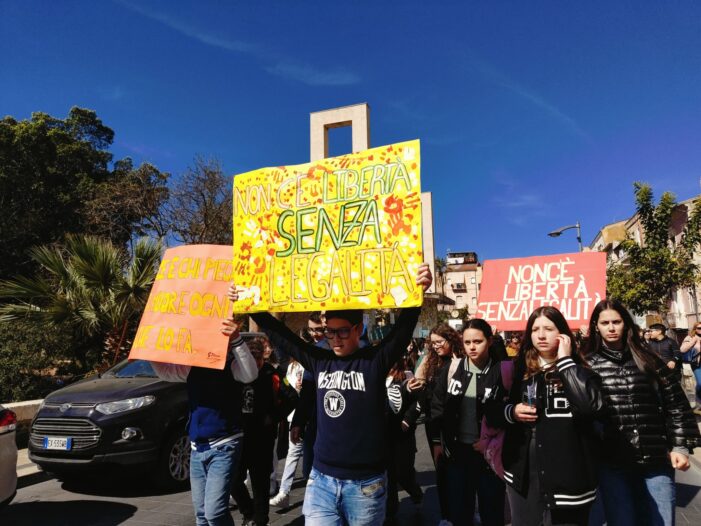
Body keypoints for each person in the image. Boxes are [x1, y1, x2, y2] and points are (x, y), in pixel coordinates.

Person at [228, 263, 432, 526]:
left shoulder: (374, 360)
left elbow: (403, 329)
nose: (335, 339)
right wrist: (250, 303)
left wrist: (418, 292)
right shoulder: (320, 360)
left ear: (358, 329)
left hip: (365, 485)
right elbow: (282, 337)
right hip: (321, 482)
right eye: (330, 332)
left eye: (343, 331)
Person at [584, 299, 700, 526]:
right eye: (605, 322)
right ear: (595, 326)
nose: (611, 327)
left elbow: (675, 404)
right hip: (613, 464)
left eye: (616, 321)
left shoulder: (649, 359)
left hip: (656, 460)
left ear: (626, 324)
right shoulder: (587, 365)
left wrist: (679, 446)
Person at [485, 306, 603, 526]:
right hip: (524, 474)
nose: (541, 335)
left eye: (549, 328)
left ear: (563, 333)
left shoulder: (581, 369)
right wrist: (512, 412)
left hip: (569, 477)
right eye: (535, 329)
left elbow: (590, 407)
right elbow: (490, 412)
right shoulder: (516, 370)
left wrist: (566, 362)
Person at [150, 319, 258, 526]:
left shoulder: (230, 365)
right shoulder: (193, 367)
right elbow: (165, 372)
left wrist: (236, 340)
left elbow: (250, 373)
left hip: (224, 445)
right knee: (201, 515)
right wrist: (149, 352)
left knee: (214, 514)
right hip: (197, 448)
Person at [431, 318, 506, 526]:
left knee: (491, 512)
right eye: (467, 342)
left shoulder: (502, 371)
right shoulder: (453, 368)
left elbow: (507, 414)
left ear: (490, 341)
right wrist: (437, 442)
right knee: (460, 513)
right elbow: (437, 406)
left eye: (478, 341)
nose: (472, 347)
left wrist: (489, 441)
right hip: (457, 454)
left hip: (489, 456)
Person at [230, 339, 292, 526]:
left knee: (260, 484)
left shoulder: (272, 374)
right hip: (239, 436)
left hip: (263, 438)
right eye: (252, 358)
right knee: (232, 479)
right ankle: (248, 512)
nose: (256, 363)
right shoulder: (236, 373)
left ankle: (260, 520)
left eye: (259, 359)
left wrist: (273, 417)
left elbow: (292, 398)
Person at [411, 323, 464, 523]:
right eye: (432, 343)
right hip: (435, 423)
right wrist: (423, 366)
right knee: (442, 470)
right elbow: (418, 384)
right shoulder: (430, 361)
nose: (436, 346)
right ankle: (445, 515)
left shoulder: (462, 360)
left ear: (451, 340)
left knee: (461, 471)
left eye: (440, 342)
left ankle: (465, 510)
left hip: (459, 422)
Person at [384, 357, 423, 524]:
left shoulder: (406, 376)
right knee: (389, 476)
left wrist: (408, 419)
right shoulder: (375, 375)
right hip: (383, 435)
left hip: (402, 435)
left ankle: (416, 493)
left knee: (403, 473)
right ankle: (390, 512)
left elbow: (419, 401)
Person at [681, 322, 701, 415]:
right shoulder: (689, 337)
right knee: (700, 384)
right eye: (699, 328)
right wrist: (693, 341)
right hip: (697, 365)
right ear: (695, 329)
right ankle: (699, 403)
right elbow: (682, 349)